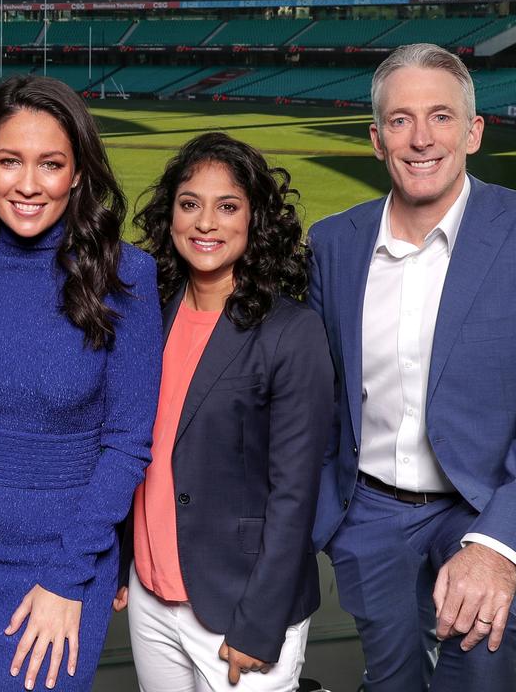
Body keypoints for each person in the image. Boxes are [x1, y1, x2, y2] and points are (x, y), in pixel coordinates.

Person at [309, 43, 516, 691]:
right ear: (376, 138)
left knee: (480, 676)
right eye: (400, 120)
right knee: (392, 683)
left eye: (440, 117)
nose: (420, 139)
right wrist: (338, 523)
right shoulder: (333, 243)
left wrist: (497, 547)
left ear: (473, 131)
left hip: (485, 508)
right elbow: (321, 392)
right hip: (372, 519)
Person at [0, 75, 161, 691]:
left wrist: (67, 578)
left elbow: (127, 443)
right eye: (9, 161)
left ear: (76, 174)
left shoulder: (126, 275)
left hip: (58, 571)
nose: (27, 184)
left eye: (50, 164)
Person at [114, 132, 333, 691]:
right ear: (170, 216)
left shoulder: (292, 331)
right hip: (151, 597)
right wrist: (120, 565)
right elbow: (130, 449)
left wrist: (259, 625)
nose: (205, 222)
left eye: (227, 206)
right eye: (190, 204)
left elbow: (295, 494)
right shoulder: (147, 317)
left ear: (255, 219)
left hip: (239, 610)